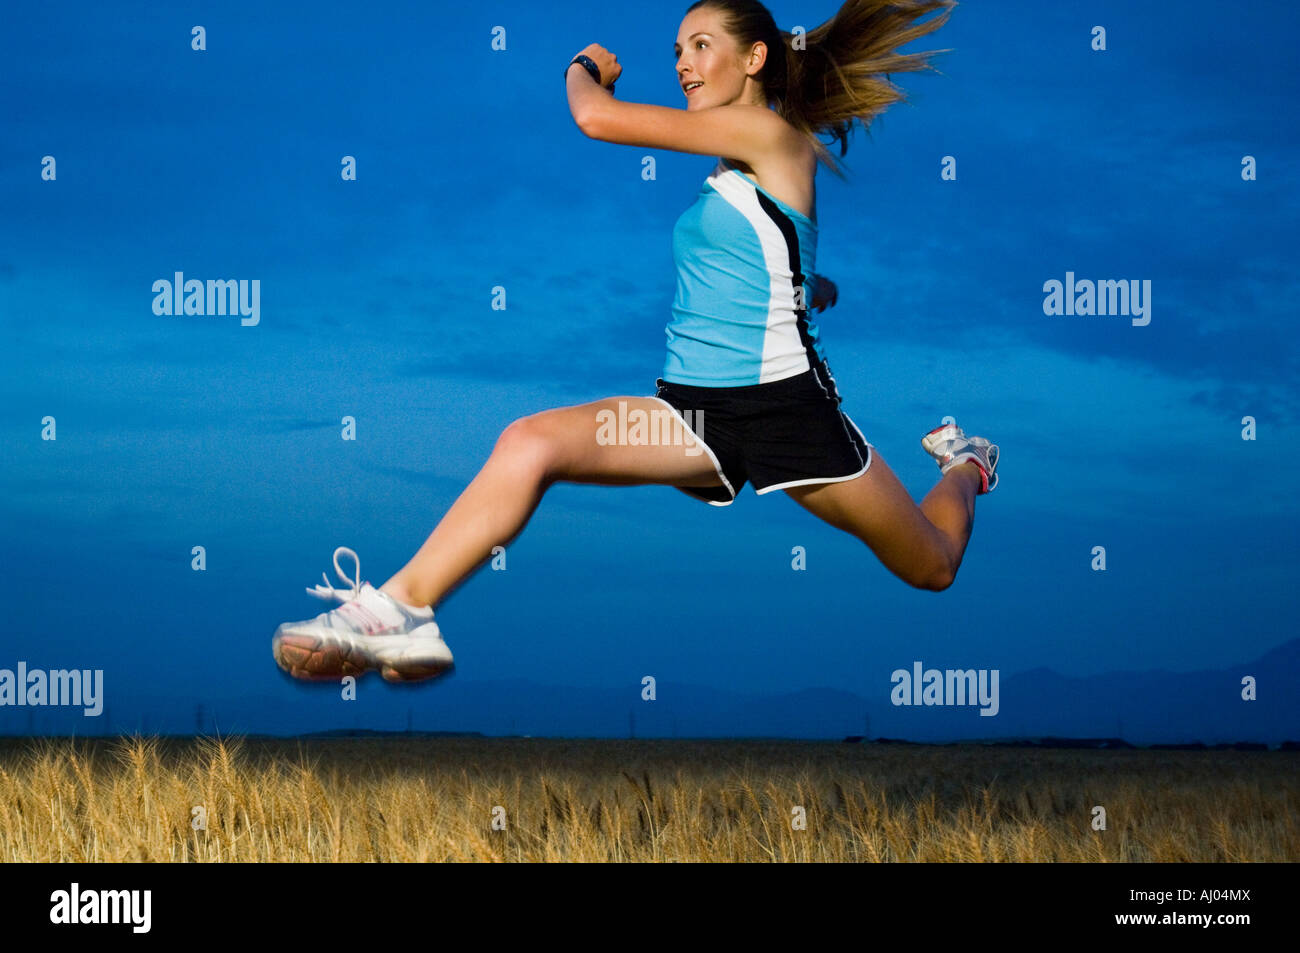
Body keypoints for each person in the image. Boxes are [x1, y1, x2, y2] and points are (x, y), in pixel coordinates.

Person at [271, 0, 995, 684]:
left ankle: (966, 463)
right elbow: (767, 258)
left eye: (700, 46)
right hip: (695, 414)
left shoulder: (770, 136)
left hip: (789, 415)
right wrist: (814, 286)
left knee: (931, 565)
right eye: (677, 51)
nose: (683, 63)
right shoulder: (733, 170)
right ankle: (402, 610)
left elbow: (597, 118)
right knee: (530, 442)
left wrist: (581, 68)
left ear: (755, 58)